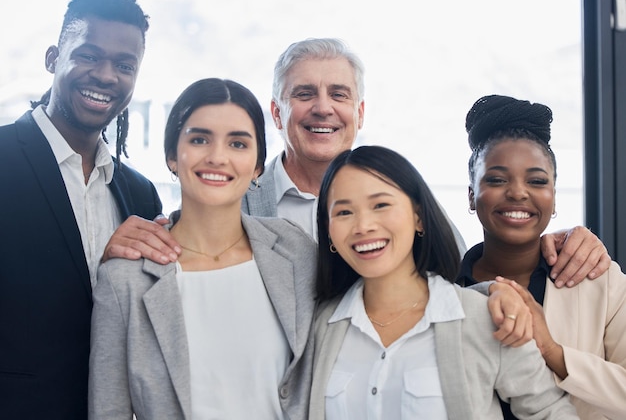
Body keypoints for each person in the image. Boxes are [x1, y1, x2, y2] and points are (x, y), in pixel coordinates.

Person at [103, 37, 611, 293]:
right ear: (277, 113)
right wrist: (127, 243)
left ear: (359, 113)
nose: (323, 107)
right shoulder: (228, 202)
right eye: (305, 94)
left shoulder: (405, 202)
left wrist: (560, 244)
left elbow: (469, 281)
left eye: (338, 94)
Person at [88, 78, 318, 419]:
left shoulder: (295, 250)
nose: (217, 157)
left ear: (258, 166)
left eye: (238, 144)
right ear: (171, 156)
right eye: (199, 139)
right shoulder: (124, 280)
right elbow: (109, 411)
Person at [309, 145, 578, 419]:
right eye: (344, 212)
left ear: (419, 217)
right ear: (329, 231)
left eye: (381, 205)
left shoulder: (486, 317)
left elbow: (549, 411)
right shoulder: (319, 327)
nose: (363, 226)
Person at [0, 0, 161, 419]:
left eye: (125, 65)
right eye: (89, 56)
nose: (107, 76)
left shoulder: (140, 194)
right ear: (53, 58)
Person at [457, 94, 626, 419]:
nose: (518, 192)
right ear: (471, 196)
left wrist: (554, 352)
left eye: (536, 181)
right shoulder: (447, 291)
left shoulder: (600, 280)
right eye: (496, 179)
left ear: (553, 196)